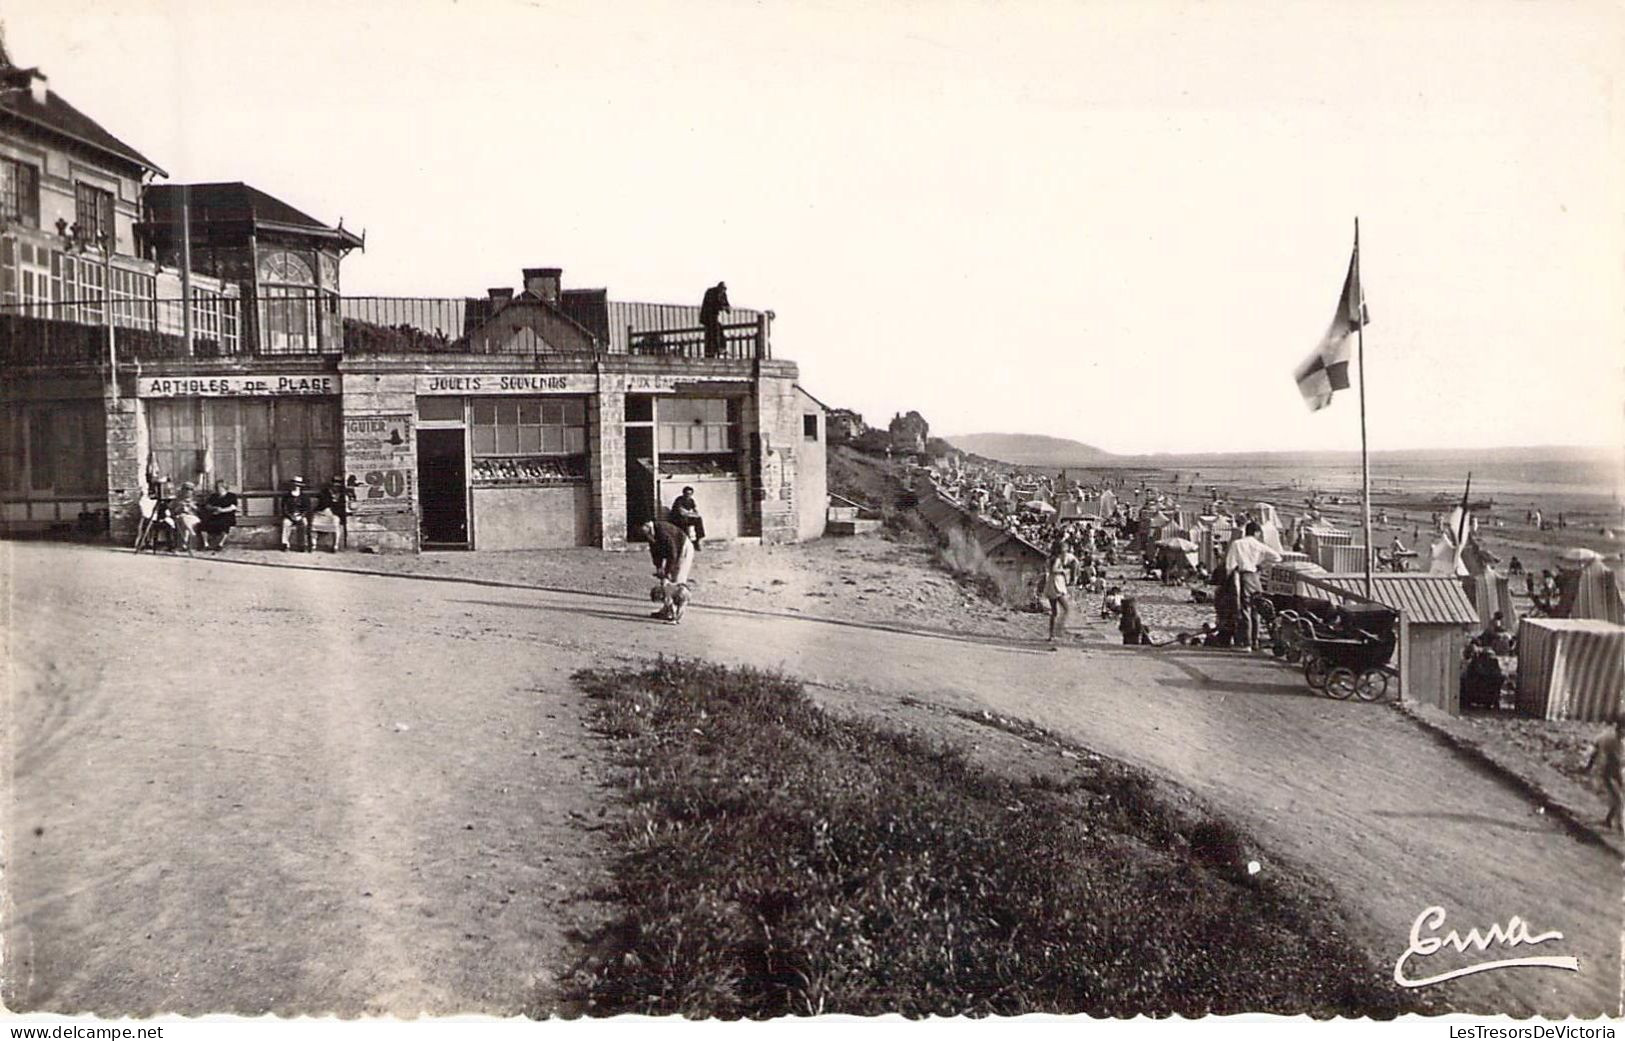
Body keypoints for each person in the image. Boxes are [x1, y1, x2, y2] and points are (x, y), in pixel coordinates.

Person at [1225, 521, 1283, 651]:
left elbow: (1229, 565)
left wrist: (1229, 580)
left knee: (1244, 609)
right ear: (1256, 533)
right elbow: (1277, 557)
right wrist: (1262, 566)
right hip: (1255, 577)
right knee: (1256, 609)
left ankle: (1246, 643)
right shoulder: (1259, 545)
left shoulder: (1237, 544)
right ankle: (1255, 641)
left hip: (1243, 576)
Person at [643, 518, 695, 623]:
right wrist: (659, 567)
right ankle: (667, 610)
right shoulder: (650, 533)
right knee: (667, 584)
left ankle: (674, 612)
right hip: (675, 551)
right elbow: (655, 551)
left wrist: (666, 574)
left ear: (648, 524)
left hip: (683, 548)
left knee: (676, 579)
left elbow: (673, 554)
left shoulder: (662, 531)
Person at [1584, 720, 1623, 832]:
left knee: (1619, 798)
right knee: (1618, 798)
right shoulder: (1610, 739)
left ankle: (1610, 820)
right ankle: (1618, 825)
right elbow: (1596, 748)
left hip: (1617, 771)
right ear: (1618, 727)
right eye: (1622, 729)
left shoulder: (1619, 740)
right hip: (1608, 771)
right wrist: (1589, 765)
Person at [1041, 538, 1077, 648]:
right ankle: (1058, 629)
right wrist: (1062, 571)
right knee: (1065, 609)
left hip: (1051, 583)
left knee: (1054, 611)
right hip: (1056, 583)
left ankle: (1052, 634)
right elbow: (1053, 569)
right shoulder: (1057, 559)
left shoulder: (1050, 558)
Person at [199, 479, 239, 551]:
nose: (218, 489)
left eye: (220, 487)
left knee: (225, 524)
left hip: (227, 515)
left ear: (224, 487)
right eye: (217, 487)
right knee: (203, 524)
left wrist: (222, 510)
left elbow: (233, 507)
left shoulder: (231, 496)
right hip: (215, 515)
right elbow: (207, 505)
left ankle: (220, 544)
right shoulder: (214, 496)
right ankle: (206, 544)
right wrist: (214, 508)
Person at [279, 476, 315, 552]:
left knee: (304, 523)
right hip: (290, 516)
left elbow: (307, 509)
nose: (296, 487)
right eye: (294, 485)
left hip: (300, 516)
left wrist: (301, 516)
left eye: (298, 485)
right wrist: (291, 516)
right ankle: (285, 544)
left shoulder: (304, 497)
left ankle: (302, 545)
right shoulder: (287, 496)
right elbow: (284, 508)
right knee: (285, 523)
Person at [668, 486, 706, 551]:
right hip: (676, 519)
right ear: (683, 493)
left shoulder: (691, 500)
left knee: (698, 519)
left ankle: (698, 540)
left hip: (686, 518)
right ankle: (685, 543)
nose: (688, 495)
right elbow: (681, 512)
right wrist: (691, 514)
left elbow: (695, 511)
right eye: (687, 494)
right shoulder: (679, 500)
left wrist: (695, 514)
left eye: (690, 494)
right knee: (683, 520)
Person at [168, 482, 201, 555]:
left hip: (193, 518)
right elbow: (171, 511)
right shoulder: (177, 500)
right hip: (180, 517)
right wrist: (180, 507)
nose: (188, 491)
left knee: (185, 522)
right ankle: (189, 539)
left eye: (190, 489)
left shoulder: (196, 500)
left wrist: (192, 506)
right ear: (182, 490)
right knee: (183, 519)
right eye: (186, 489)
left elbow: (200, 511)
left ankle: (184, 545)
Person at [699, 280, 730, 357]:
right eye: (722, 289)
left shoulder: (723, 294)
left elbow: (727, 305)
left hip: (714, 315)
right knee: (714, 330)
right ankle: (715, 349)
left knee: (719, 329)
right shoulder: (711, 292)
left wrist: (727, 308)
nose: (722, 291)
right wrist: (721, 307)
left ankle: (720, 347)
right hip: (707, 315)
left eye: (724, 290)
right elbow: (711, 305)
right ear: (718, 288)